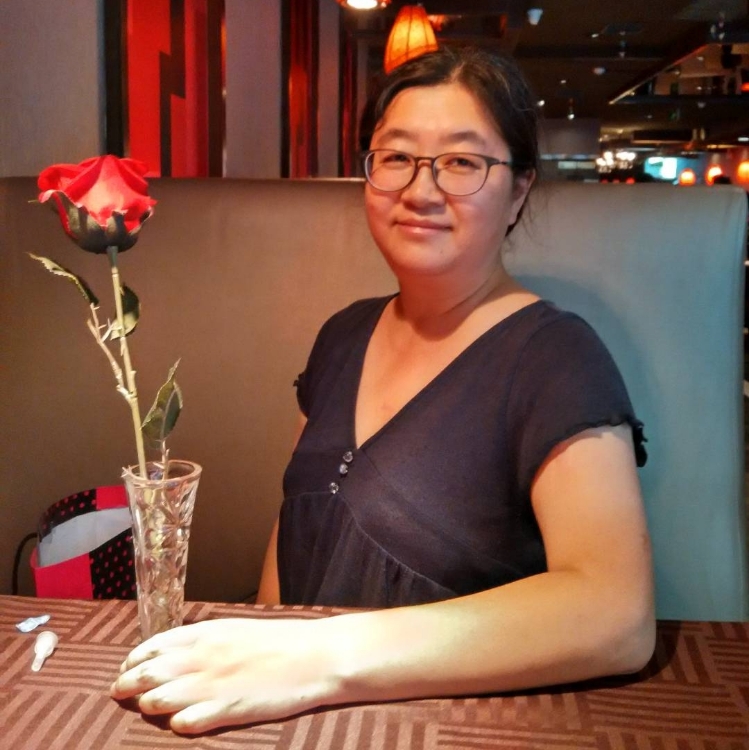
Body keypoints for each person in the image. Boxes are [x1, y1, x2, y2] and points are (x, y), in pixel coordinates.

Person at [111, 46, 655, 733]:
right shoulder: (344, 334)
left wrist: (318, 658)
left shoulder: (555, 357)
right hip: (282, 715)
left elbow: (615, 614)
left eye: (462, 162)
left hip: (440, 730)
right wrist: (265, 647)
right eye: (396, 156)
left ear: (519, 189)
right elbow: (296, 530)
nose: (421, 190)